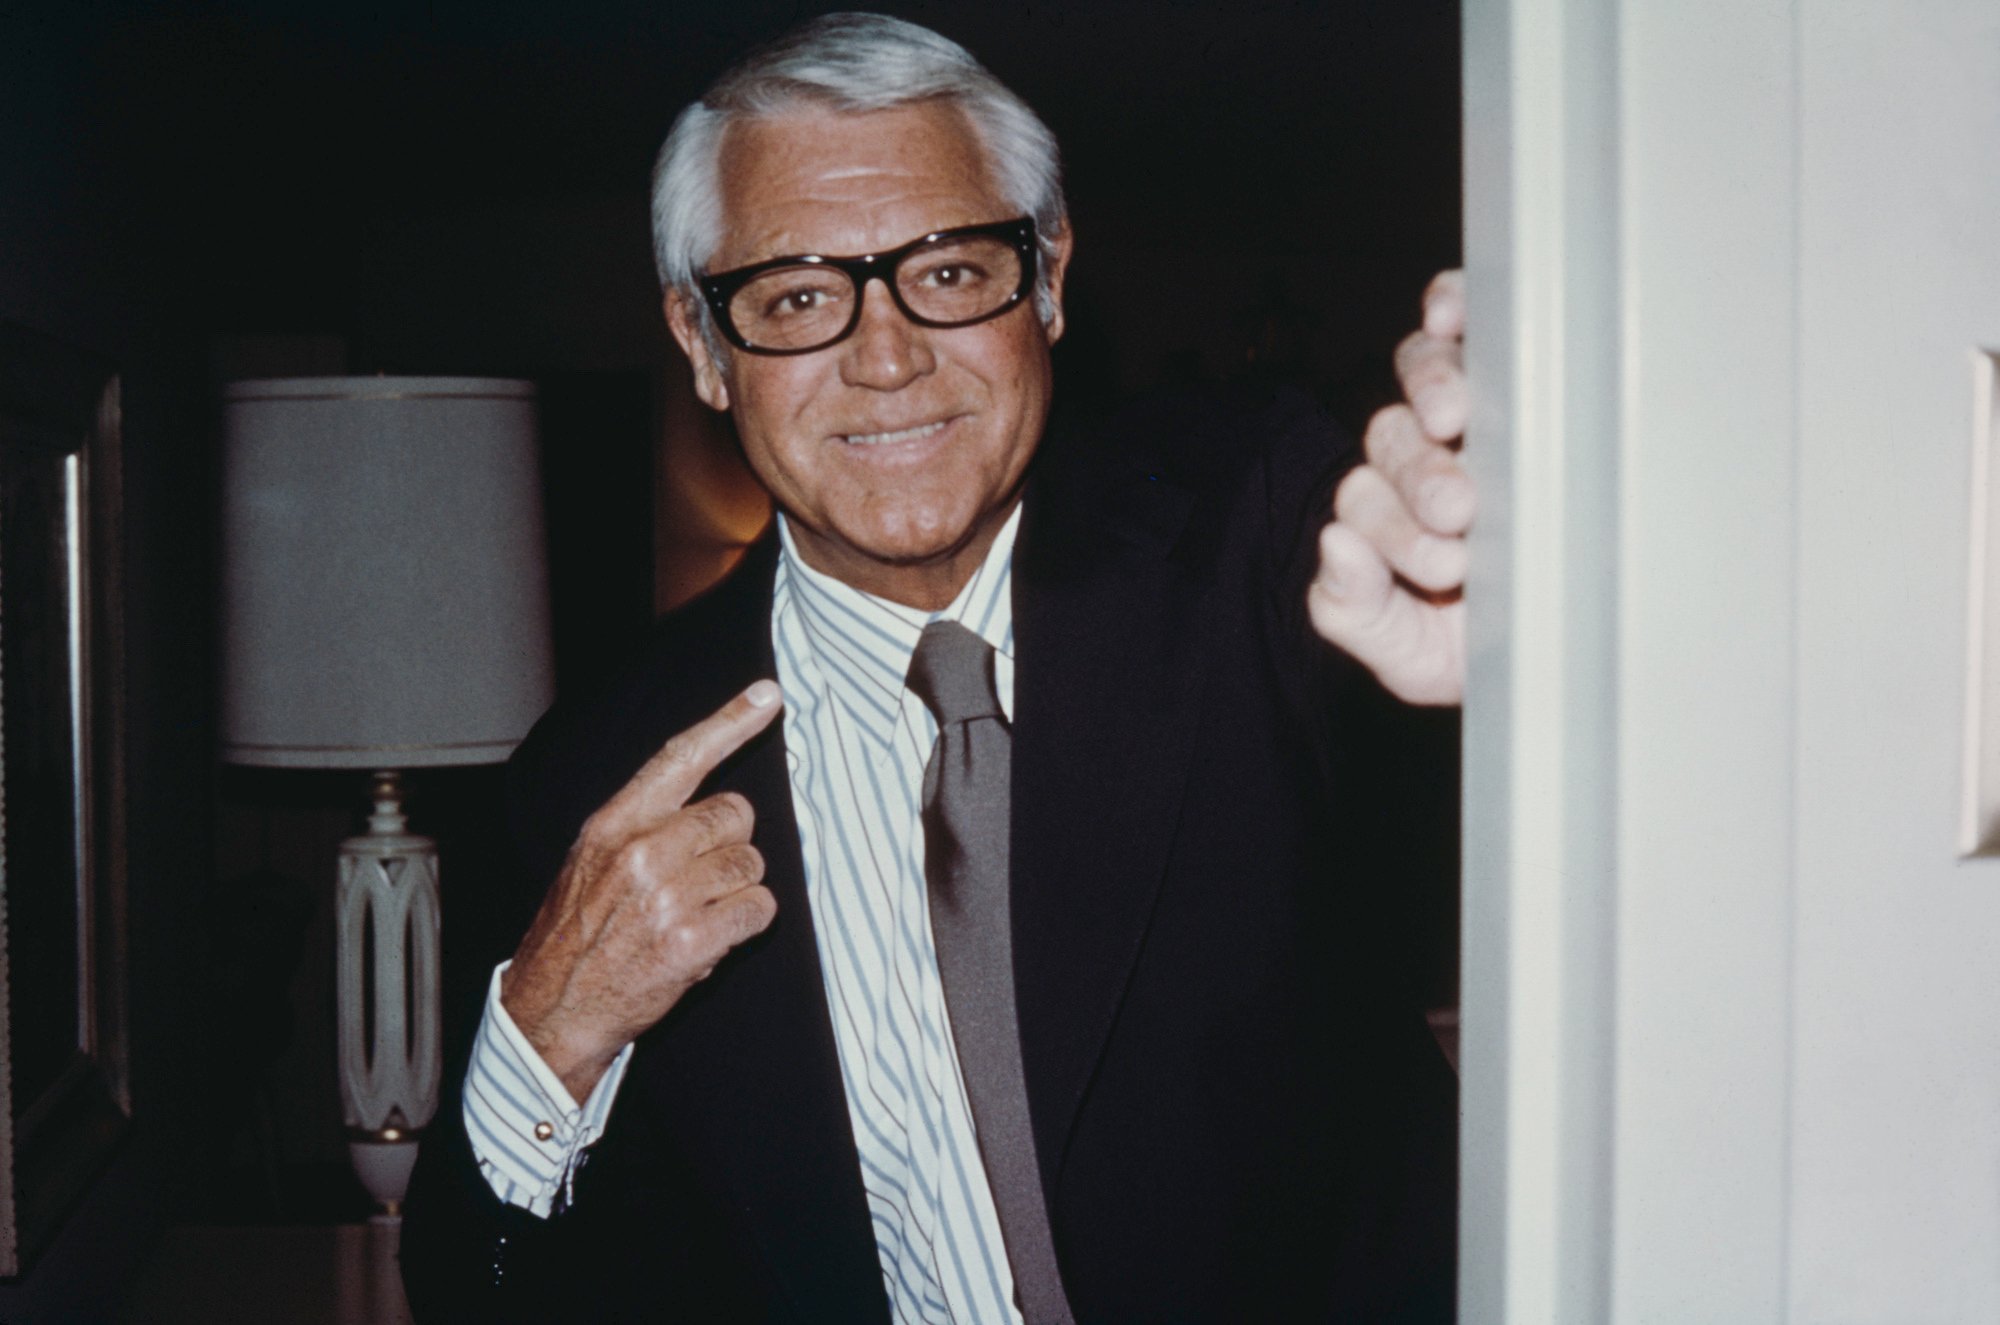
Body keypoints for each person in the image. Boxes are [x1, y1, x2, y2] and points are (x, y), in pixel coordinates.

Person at [401, 12, 1471, 1323]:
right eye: (796, 297)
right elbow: (472, 1289)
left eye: (952, 274)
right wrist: (551, 1036)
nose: (889, 356)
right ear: (700, 343)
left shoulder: (1261, 533)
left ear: (1052, 275)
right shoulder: (585, 783)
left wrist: (1525, 539)